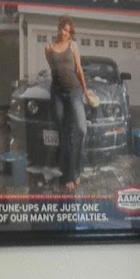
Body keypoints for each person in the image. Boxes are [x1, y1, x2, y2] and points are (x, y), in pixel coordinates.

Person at [43, 17, 90, 194]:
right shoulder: (48, 48)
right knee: (64, 134)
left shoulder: (73, 46)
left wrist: (85, 90)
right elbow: (55, 71)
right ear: (58, 28)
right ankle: (68, 176)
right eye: (63, 29)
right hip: (57, 94)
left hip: (74, 92)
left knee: (81, 129)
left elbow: (78, 69)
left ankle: (76, 168)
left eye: (68, 31)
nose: (65, 33)